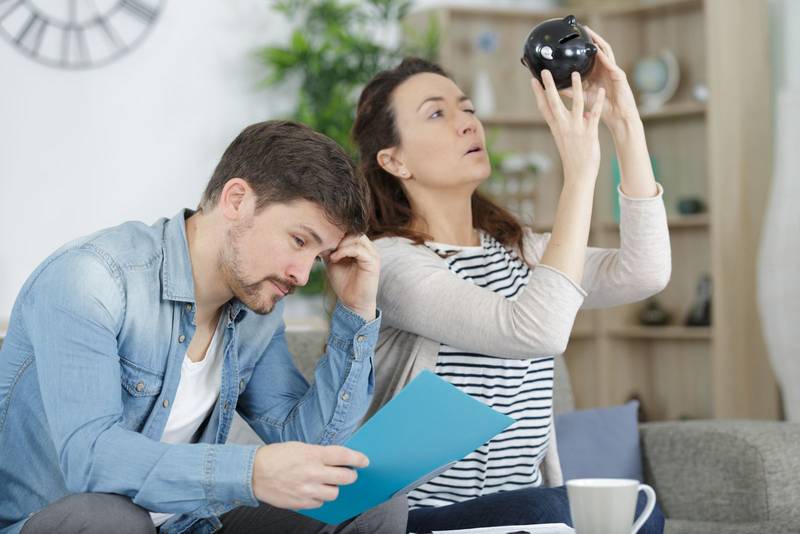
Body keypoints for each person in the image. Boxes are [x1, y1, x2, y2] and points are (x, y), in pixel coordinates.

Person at [0, 120, 407, 534]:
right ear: (237, 200)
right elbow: (89, 458)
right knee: (113, 520)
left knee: (366, 497)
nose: (302, 275)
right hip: (67, 522)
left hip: (185, 524)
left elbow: (310, 447)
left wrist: (356, 311)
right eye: (299, 241)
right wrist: (249, 472)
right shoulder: (92, 279)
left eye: (318, 257)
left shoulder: (256, 309)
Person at [351, 28, 669, 533]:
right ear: (394, 161)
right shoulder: (392, 264)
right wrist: (579, 175)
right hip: (418, 518)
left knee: (633, 511)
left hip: (521, 510)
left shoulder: (520, 251)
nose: (466, 123)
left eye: (468, 108)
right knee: (564, 513)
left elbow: (644, 270)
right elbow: (533, 330)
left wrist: (624, 123)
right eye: (436, 114)